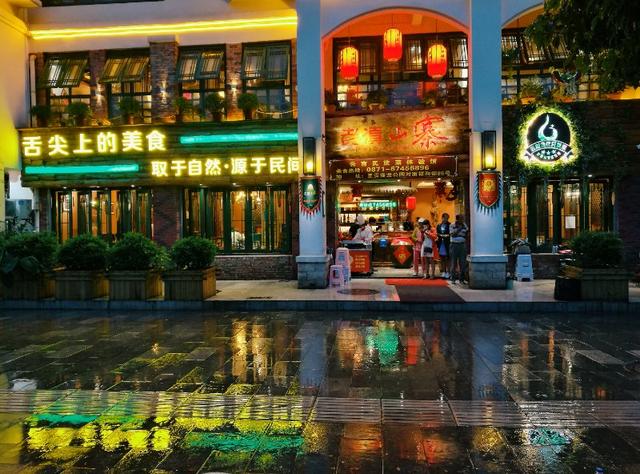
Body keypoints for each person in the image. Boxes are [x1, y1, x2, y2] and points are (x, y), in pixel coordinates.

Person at [449, 214, 469, 284]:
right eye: (461, 218)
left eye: (463, 218)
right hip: (454, 245)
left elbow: (466, 234)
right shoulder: (452, 225)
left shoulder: (464, 225)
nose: (463, 220)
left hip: (462, 245)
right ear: (457, 219)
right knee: (453, 263)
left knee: (462, 263)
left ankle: (461, 279)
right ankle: (453, 279)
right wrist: (460, 229)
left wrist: (458, 234)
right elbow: (452, 235)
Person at [436, 213, 451, 279]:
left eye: (447, 218)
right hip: (440, 243)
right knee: (442, 258)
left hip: (447, 243)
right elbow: (437, 234)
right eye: (445, 218)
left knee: (447, 258)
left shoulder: (450, 225)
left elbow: (451, 233)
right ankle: (443, 271)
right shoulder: (439, 225)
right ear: (442, 218)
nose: (446, 219)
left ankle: (448, 272)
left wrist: (446, 236)